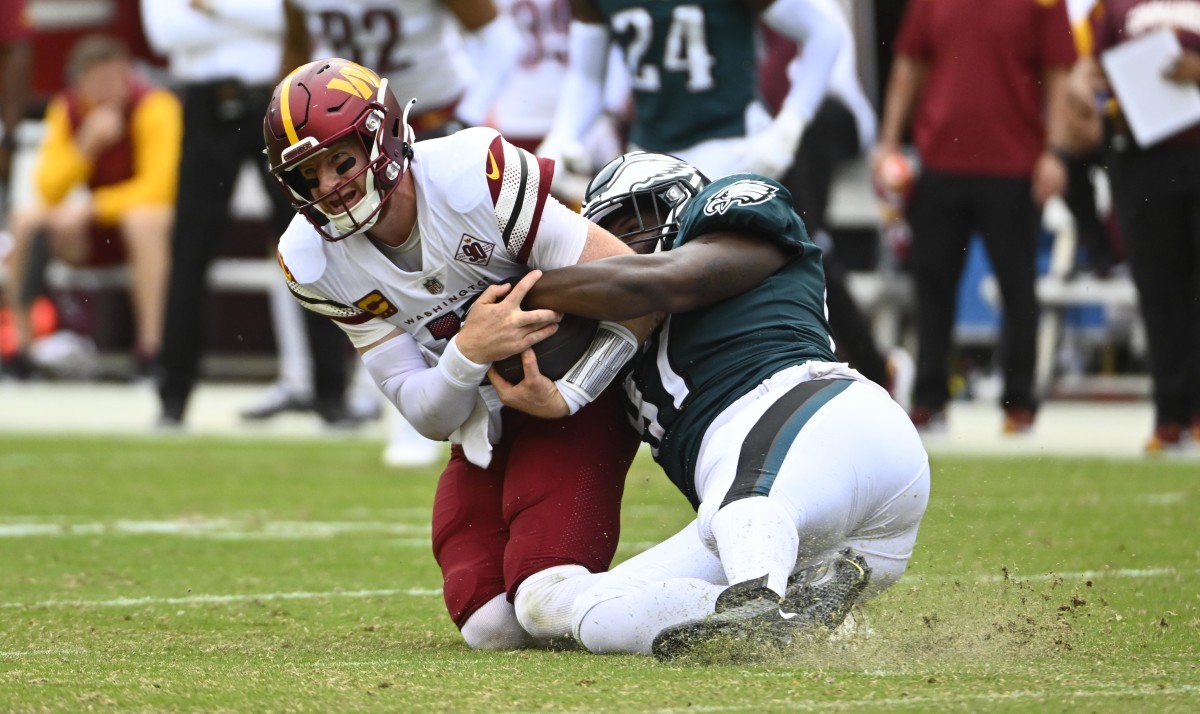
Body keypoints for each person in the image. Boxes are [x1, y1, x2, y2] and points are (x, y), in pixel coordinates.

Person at [263, 58, 649, 648]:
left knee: (546, 596)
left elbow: (636, 289)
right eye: (309, 177)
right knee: (490, 626)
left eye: (341, 161)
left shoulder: (475, 178)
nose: (329, 188)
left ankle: (693, 607)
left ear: (383, 136)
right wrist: (467, 353)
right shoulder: (313, 261)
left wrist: (570, 395)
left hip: (573, 399)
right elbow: (426, 414)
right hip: (483, 425)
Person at [503, 152, 930, 659]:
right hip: (783, 534)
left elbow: (660, 279)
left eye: (629, 223)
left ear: (678, 201)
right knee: (601, 615)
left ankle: (760, 600)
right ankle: (805, 619)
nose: (616, 248)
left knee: (744, 500)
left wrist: (509, 296)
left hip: (831, 424)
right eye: (604, 235)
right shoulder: (616, 348)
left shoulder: (728, 214)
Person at [259, 0, 525, 463]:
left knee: (465, 267)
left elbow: (502, 38)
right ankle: (412, 398)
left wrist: (470, 113)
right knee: (368, 268)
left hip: (435, 124)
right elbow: (295, 65)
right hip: (340, 146)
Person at [141, 0, 353, 428]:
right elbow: (167, 32)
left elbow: (295, 19)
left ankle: (332, 393)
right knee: (189, 251)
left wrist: (212, 8)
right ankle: (173, 395)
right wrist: (257, 18)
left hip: (276, 102)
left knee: (315, 237)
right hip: (203, 105)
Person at [873, 0, 1076, 435]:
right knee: (932, 285)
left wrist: (1056, 152)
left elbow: (1059, 75)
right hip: (941, 159)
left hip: (1014, 162)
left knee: (1018, 286)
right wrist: (889, 140)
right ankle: (929, 399)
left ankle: (1019, 401)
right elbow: (910, 64)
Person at [758, 4, 914, 409]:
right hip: (762, 132)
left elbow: (806, 74)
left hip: (816, 120)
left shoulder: (810, 9)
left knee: (803, 244)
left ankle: (872, 369)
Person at [1, 35, 179, 379]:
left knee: (143, 220)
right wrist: (86, 146)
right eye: (98, 82)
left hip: (143, 233)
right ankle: (20, 350)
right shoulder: (66, 110)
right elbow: (48, 189)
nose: (108, 90)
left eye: (115, 79)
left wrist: (94, 207)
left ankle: (151, 350)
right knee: (25, 220)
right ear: (80, 82)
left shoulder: (155, 107)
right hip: (87, 236)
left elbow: (159, 189)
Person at [1072, 0, 1200, 453]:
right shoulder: (1115, 8)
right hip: (1142, 158)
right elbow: (1087, 70)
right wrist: (1091, 91)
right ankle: (1171, 413)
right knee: (1159, 287)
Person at [536, 0, 846, 182]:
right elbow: (586, 76)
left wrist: (788, 129)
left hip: (733, 143)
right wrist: (559, 141)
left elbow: (825, 33)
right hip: (648, 154)